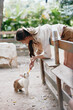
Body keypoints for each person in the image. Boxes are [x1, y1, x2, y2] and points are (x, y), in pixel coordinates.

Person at [16, 24, 73, 109]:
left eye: (22, 41)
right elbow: (40, 51)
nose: (23, 43)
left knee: (68, 64)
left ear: (26, 37)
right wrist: (33, 60)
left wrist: (35, 57)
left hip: (68, 34)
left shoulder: (39, 35)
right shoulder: (34, 37)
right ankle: (67, 95)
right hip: (64, 36)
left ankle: (67, 97)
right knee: (66, 64)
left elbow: (47, 55)